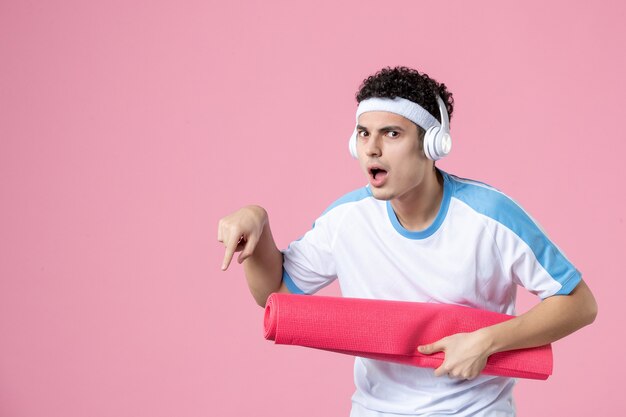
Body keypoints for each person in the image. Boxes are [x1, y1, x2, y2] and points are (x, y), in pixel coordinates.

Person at [217, 66, 597, 416]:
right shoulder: (347, 220)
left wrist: (487, 341)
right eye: (364, 134)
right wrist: (258, 224)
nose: (372, 148)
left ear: (433, 145)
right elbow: (277, 294)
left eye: (392, 134)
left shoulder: (490, 216)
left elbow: (579, 303)